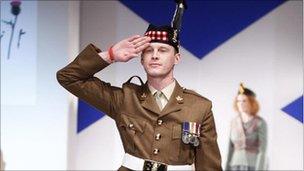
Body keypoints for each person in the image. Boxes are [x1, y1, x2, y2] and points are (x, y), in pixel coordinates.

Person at [57, 1, 222, 170]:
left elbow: (209, 166)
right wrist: (111, 54)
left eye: (163, 50)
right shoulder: (125, 98)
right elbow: (68, 77)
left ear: (177, 58)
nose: (155, 56)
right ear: (142, 59)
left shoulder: (199, 107)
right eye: (149, 51)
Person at [225, 83, 267, 171]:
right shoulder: (234, 122)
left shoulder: (260, 123)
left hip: (253, 166)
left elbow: (262, 150)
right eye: (238, 101)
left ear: (251, 102)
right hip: (234, 166)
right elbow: (230, 149)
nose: (240, 104)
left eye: (244, 101)